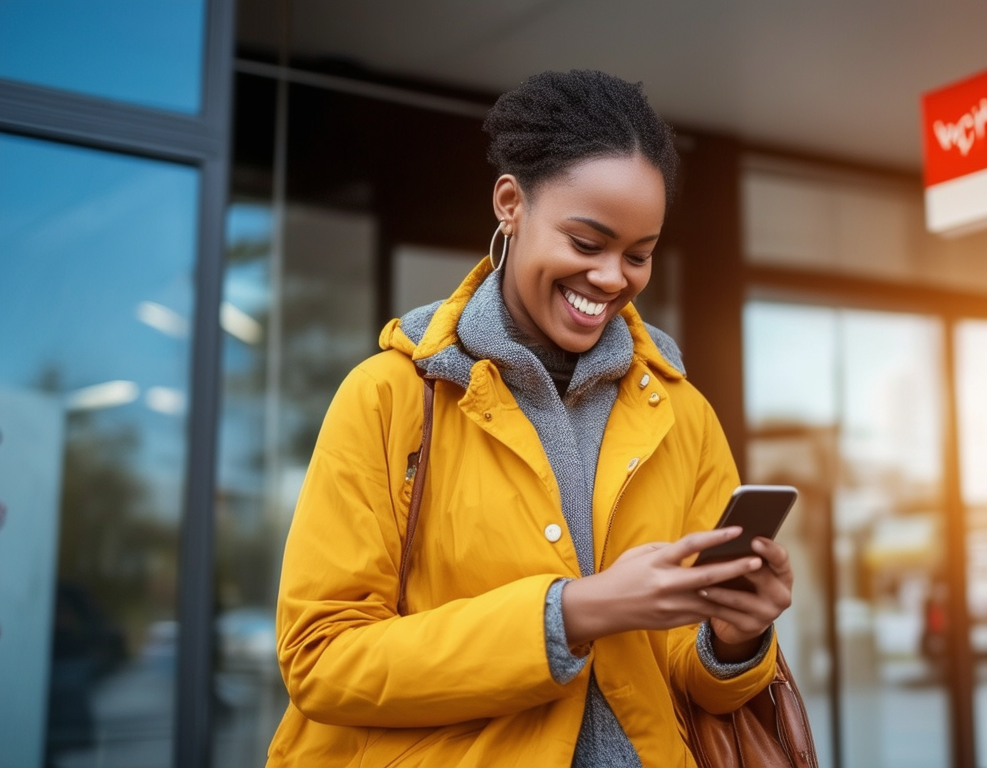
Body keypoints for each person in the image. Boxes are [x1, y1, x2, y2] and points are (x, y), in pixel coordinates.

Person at [267, 69, 794, 768]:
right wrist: (573, 613)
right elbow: (320, 660)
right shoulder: (388, 397)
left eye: (639, 255)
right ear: (511, 204)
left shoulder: (684, 415)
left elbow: (697, 686)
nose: (612, 278)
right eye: (586, 243)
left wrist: (734, 641)